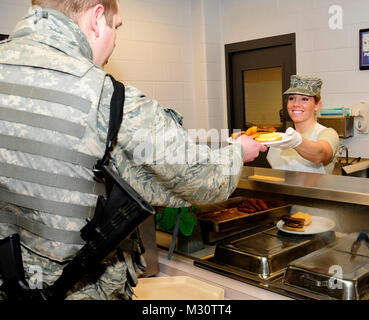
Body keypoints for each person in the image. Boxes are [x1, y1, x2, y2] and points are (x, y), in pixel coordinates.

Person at [0, 0, 266, 300]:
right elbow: (201, 179)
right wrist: (237, 151)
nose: (116, 40)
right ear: (97, 18)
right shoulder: (105, 97)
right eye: (116, 27)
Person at [267, 75, 339, 174]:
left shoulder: (328, 133)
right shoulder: (283, 137)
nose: (296, 104)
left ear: (317, 105)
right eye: (292, 98)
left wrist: (296, 142)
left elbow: (320, 153)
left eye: (304, 99)